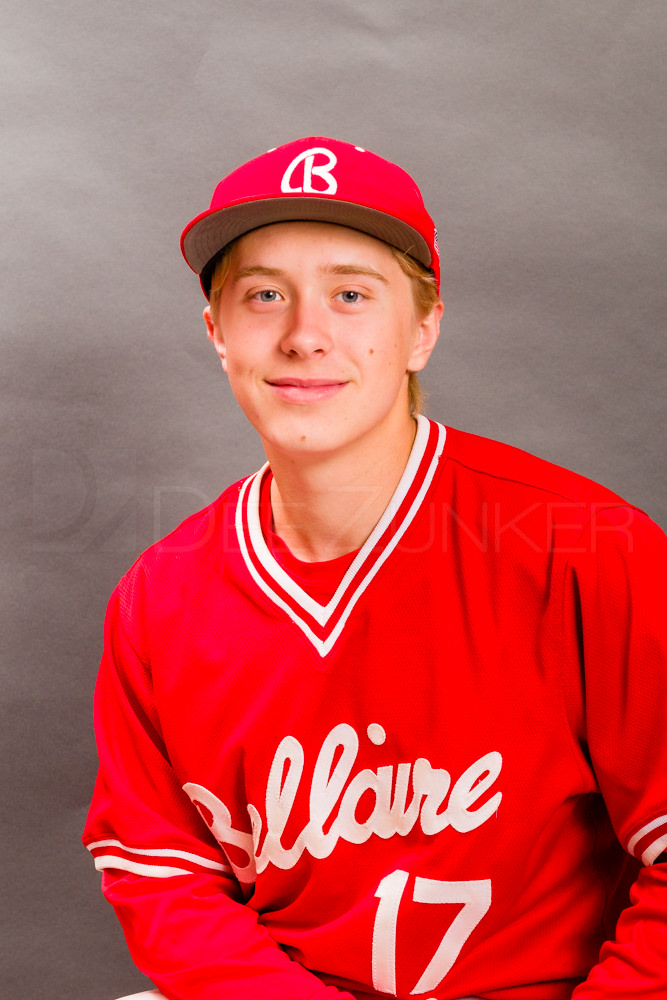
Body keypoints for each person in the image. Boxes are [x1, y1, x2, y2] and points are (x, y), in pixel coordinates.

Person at [83, 137, 667, 1000]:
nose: (304, 335)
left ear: (421, 331)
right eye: (264, 296)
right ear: (217, 333)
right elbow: (164, 878)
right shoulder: (158, 596)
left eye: (351, 294)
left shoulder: (588, 545)